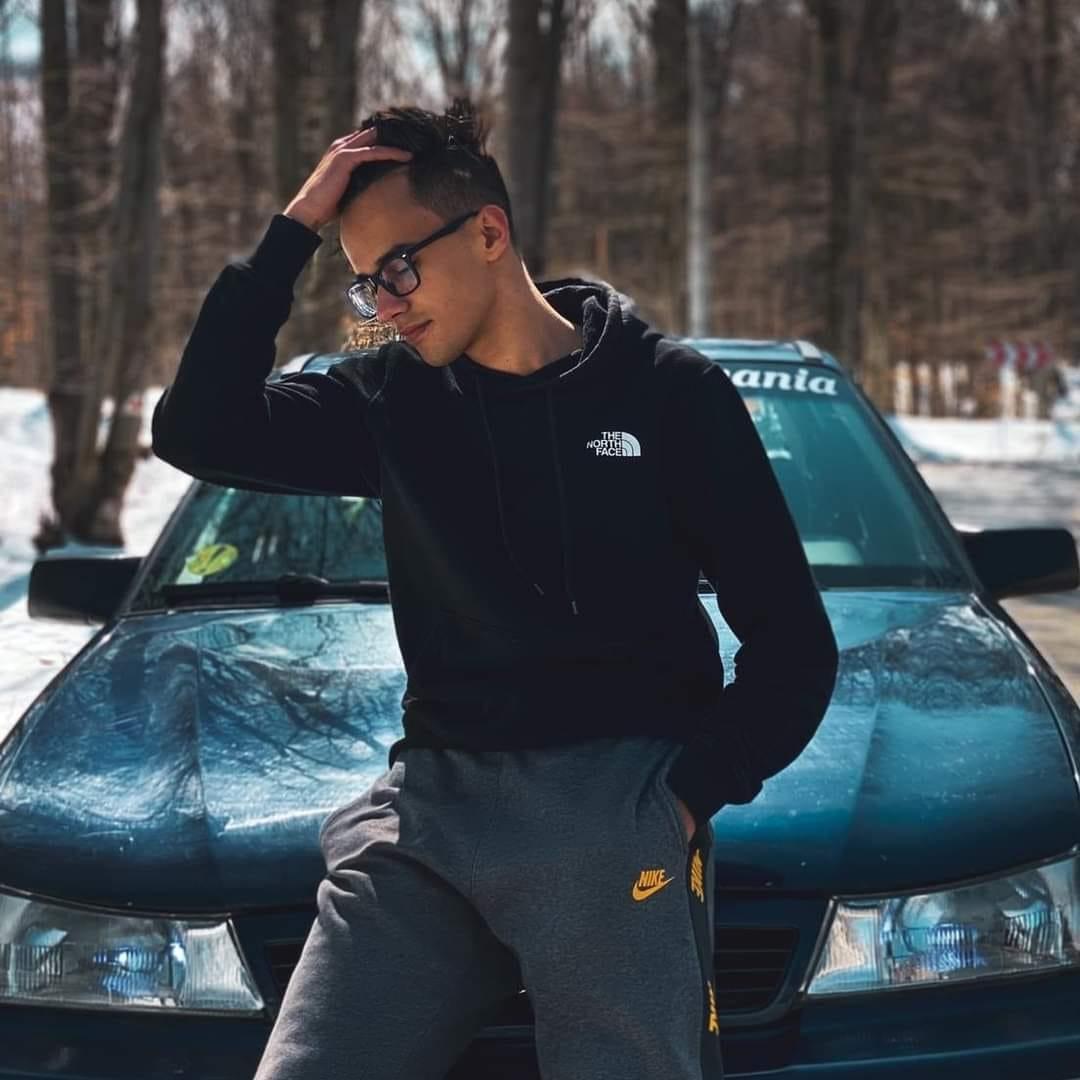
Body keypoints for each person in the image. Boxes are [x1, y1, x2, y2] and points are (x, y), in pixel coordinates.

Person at [151, 98, 839, 1080]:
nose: (384, 305)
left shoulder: (667, 394)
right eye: (364, 283)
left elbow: (794, 646)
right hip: (429, 813)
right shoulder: (389, 400)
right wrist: (293, 229)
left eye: (398, 268)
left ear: (487, 232)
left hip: (611, 812)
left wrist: (679, 801)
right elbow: (197, 430)